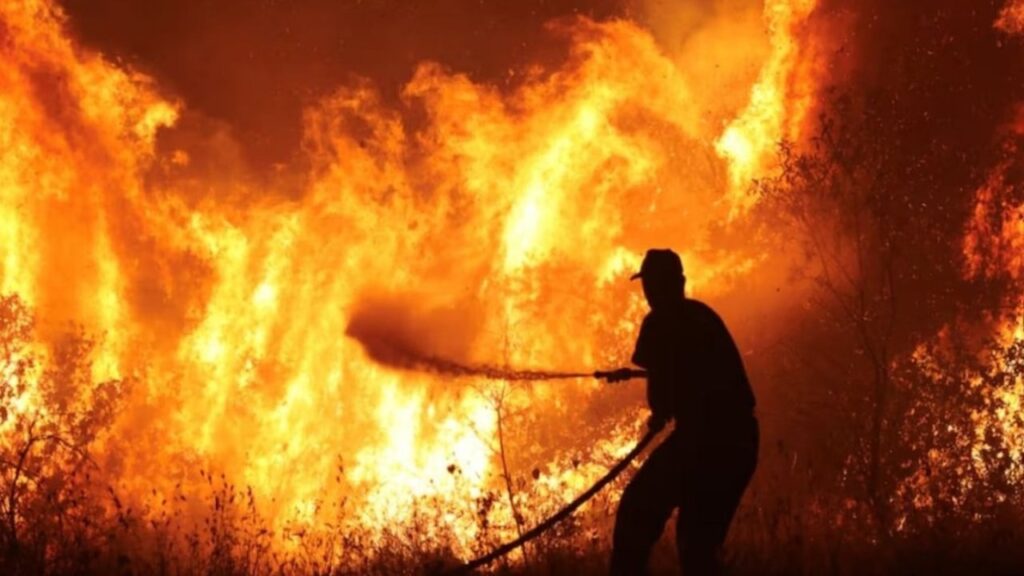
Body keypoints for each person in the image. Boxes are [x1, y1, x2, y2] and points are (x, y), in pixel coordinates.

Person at [601, 248, 758, 576]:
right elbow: (699, 374)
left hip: (706, 442)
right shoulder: (702, 314)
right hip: (741, 441)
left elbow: (661, 402)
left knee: (636, 512)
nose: (649, 293)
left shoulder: (659, 322)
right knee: (698, 546)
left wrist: (658, 411)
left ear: (670, 284)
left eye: (652, 285)